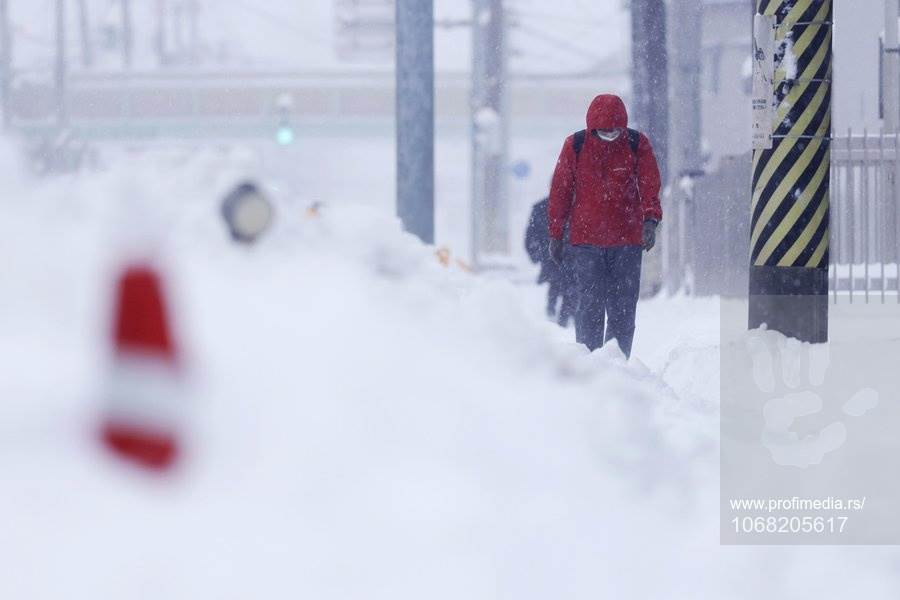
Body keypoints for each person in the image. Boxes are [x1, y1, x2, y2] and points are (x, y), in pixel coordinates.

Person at [547, 94, 662, 358]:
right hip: (586, 243)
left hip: (627, 242)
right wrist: (555, 234)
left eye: (614, 130)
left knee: (623, 309)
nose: (609, 135)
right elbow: (560, 191)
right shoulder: (575, 145)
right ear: (592, 128)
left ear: (623, 126)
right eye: (603, 131)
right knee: (590, 307)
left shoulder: (636, 144)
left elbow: (649, 184)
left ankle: (618, 364)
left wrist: (650, 220)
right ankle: (590, 364)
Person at [525, 198, 576, 326]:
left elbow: (531, 235)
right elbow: (531, 235)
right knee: (565, 287)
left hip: (554, 257)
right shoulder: (576, 206)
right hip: (563, 257)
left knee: (559, 285)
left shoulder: (541, 207)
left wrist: (536, 254)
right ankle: (559, 319)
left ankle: (555, 315)